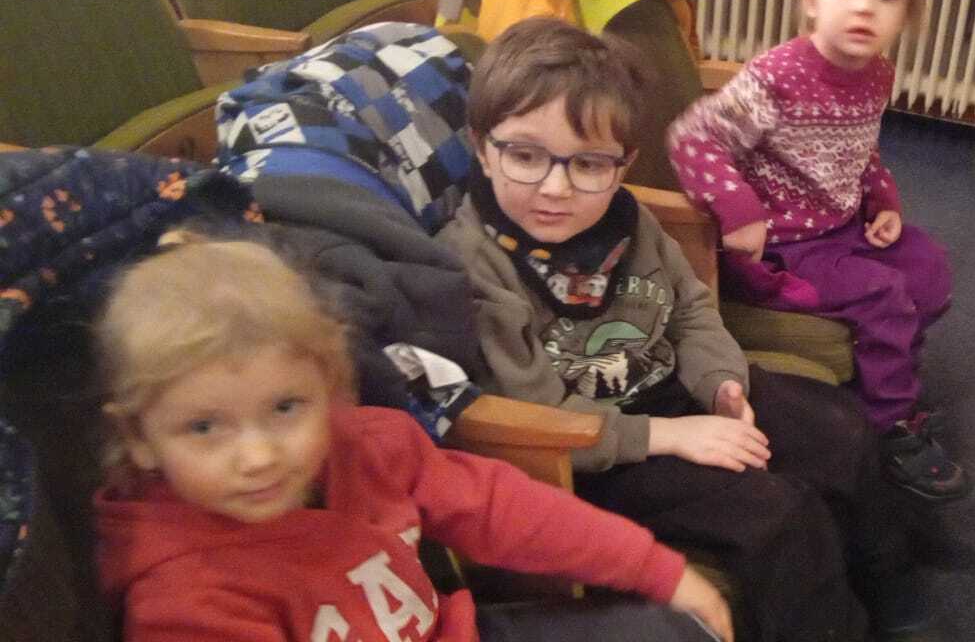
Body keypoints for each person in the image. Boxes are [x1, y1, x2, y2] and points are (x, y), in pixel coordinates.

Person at [436, 17, 931, 641]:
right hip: (593, 454)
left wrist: (722, 385)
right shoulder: (473, 264)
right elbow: (541, 415)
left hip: (672, 391)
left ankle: (890, 593)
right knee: (777, 516)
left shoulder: (628, 221)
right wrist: (672, 436)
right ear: (483, 147)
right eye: (525, 156)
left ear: (623, 165)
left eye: (588, 163)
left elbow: (691, 310)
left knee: (841, 429)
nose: (555, 188)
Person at [93, 240, 731, 642]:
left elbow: (502, 509)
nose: (258, 456)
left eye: (286, 408)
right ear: (140, 438)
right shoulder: (183, 599)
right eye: (205, 427)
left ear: (330, 390)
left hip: (458, 627)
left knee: (679, 630)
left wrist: (658, 570)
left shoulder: (367, 446)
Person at [666, 0, 968, 503]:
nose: (864, 8)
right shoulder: (778, 76)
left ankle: (886, 368)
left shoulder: (877, 74)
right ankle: (891, 424)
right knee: (884, 296)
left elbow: (861, 150)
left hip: (843, 227)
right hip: (785, 247)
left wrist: (883, 199)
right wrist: (738, 208)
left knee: (929, 271)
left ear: (904, 15)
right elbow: (692, 139)